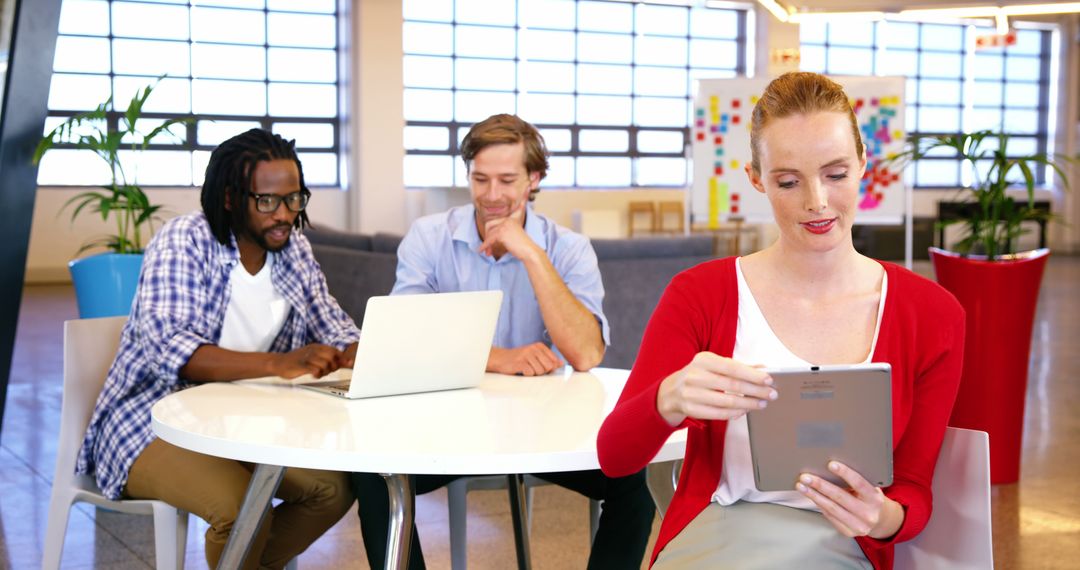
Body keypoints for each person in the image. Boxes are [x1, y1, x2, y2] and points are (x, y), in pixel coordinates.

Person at [596, 72, 965, 570]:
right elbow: (616, 455)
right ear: (756, 179)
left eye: (835, 174)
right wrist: (668, 398)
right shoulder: (700, 296)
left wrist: (883, 518)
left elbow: (915, 489)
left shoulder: (932, 315)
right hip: (716, 535)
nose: (816, 201)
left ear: (863, 165)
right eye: (788, 182)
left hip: (843, 545)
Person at [350, 114, 655, 569]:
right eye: (480, 179)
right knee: (374, 479)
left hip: (547, 428)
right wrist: (498, 359)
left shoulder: (568, 248)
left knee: (634, 484)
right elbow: (405, 339)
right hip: (449, 428)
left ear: (534, 179)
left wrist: (530, 253)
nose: (492, 196)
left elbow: (587, 353)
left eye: (508, 180)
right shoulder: (429, 238)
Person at [76, 128, 360, 570]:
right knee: (239, 509)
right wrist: (280, 364)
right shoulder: (185, 240)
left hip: (247, 419)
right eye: (267, 201)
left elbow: (334, 325)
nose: (284, 214)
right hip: (152, 421)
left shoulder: (293, 248)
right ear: (230, 198)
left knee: (333, 490)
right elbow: (171, 349)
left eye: (294, 198)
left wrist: (364, 352)